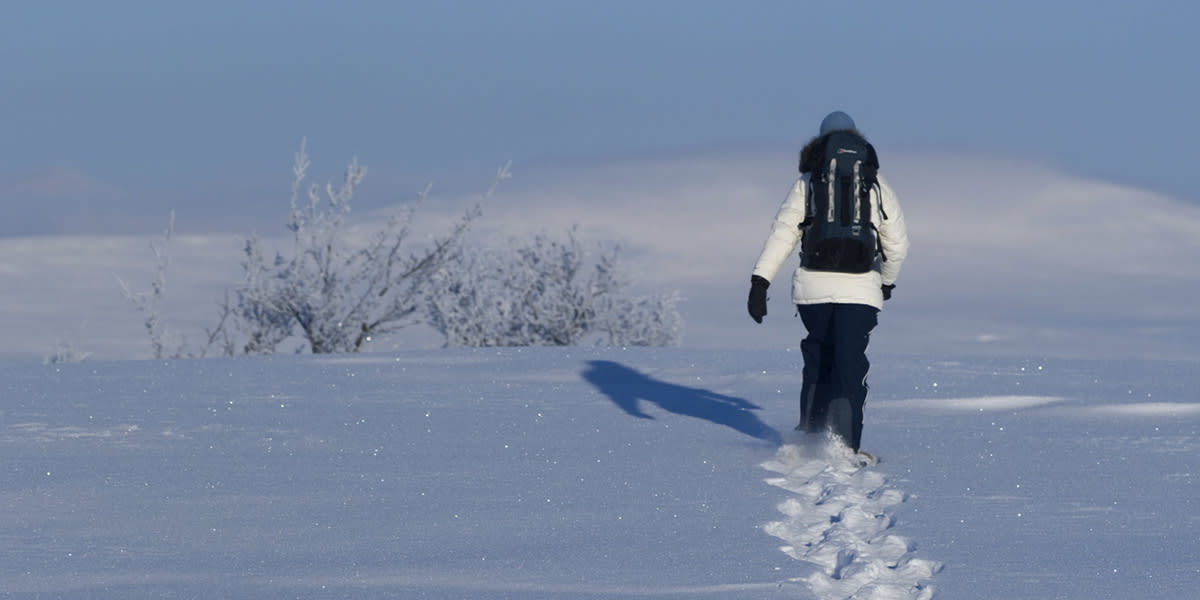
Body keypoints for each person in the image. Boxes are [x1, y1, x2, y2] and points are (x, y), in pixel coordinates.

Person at [747, 110, 909, 453]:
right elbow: (897, 243)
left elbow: (783, 234)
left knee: (819, 358)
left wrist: (760, 282)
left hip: (813, 290)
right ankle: (845, 448)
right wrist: (886, 283)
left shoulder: (808, 182)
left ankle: (810, 437)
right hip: (861, 289)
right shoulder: (876, 184)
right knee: (850, 366)